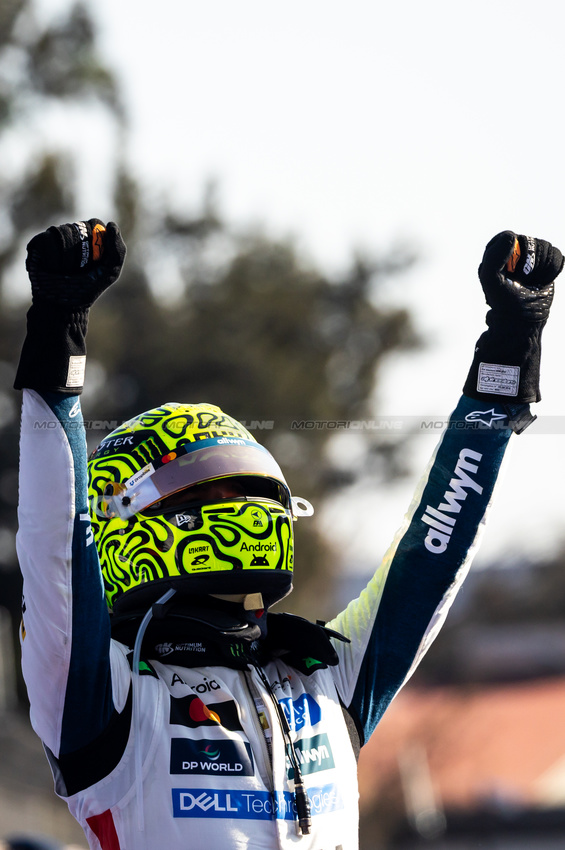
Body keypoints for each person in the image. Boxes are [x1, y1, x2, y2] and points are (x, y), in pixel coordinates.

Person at [13, 219, 562, 850]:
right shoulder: (103, 699)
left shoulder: (329, 671)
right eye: (210, 491)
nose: (245, 508)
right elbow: (55, 548)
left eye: (253, 490)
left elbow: (436, 544)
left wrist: (507, 352)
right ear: (126, 517)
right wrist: (60, 328)